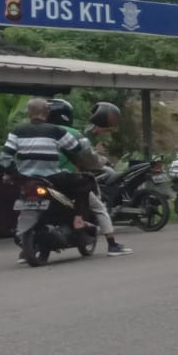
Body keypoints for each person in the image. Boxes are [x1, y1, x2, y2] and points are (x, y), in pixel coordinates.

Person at [0, 98, 105, 261]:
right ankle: (78, 219)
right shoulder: (55, 130)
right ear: (46, 113)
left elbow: (5, 156)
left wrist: (13, 172)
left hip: (26, 179)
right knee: (86, 181)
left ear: (29, 113)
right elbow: (76, 149)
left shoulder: (17, 131)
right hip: (52, 178)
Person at [48, 98, 130, 256]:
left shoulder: (35, 131)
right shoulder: (70, 133)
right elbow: (87, 158)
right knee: (99, 207)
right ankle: (112, 245)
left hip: (38, 178)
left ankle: (25, 251)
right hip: (65, 180)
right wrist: (101, 162)